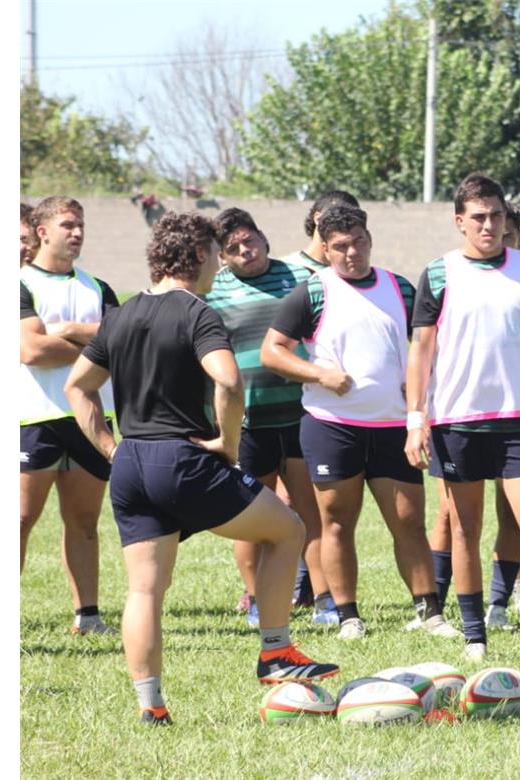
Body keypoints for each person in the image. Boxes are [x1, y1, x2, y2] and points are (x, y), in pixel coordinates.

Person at [64, 212, 338, 726]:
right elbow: (229, 382)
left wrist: (110, 448)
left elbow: (77, 387)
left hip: (132, 464)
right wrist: (228, 446)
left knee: (144, 589)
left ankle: (152, 706)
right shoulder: (197, 312)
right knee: (288, 530)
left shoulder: (120, 316)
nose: (219, 263)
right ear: (196, 256)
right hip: (183, 459)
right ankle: (276, 653)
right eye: (214, 253)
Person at [260, 206, 453, 640]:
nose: (352, 252)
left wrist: (416, 398)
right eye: (341, 246)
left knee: (408, 521)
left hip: (393, 428)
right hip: (333, 426)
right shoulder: (312, 292)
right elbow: (273, 351)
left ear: (370, 240)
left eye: (359, 242)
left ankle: (430, 612)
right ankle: (348, 615)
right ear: (325, 249)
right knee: (336, 522)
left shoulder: (399, 288)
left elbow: (427, 346)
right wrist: (320, 374)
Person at [404, 173, 520, 666]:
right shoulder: (439, 274)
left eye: (496, 215)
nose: (489, 225)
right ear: (460, 222)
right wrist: (416, 418)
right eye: (478, 217)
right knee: (464, 530)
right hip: (457, 422)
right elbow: (420, 352)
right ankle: (475, 636)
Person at [204, 208, 336, 628]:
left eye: (251, 239)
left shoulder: (299, 278)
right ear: (222, 257)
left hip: (299, 415)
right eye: (234, 248)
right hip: (246, 422)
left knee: (309, 514)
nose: (247, 251)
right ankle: (258, 600)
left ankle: (326, 603)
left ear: (264, 236)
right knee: (251, 516)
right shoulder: (213, 289)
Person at [20, 196, 119, 636]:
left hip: (91, 418)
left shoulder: (99, 289)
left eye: (80, 225)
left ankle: (89, 616)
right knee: (19, 520)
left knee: (84, 523)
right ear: (43, 231)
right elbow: (31, 350)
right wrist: (96, 348)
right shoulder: (18, 283)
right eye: (67, 225)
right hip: (33, 420)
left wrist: (71, 332)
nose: (77, 232)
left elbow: (124, 345)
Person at [282, 190, 361, 272]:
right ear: (318, 219)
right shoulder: (286, 270)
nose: (345, 226)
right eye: (337, 218)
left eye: (352, 222)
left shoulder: (356, 274)